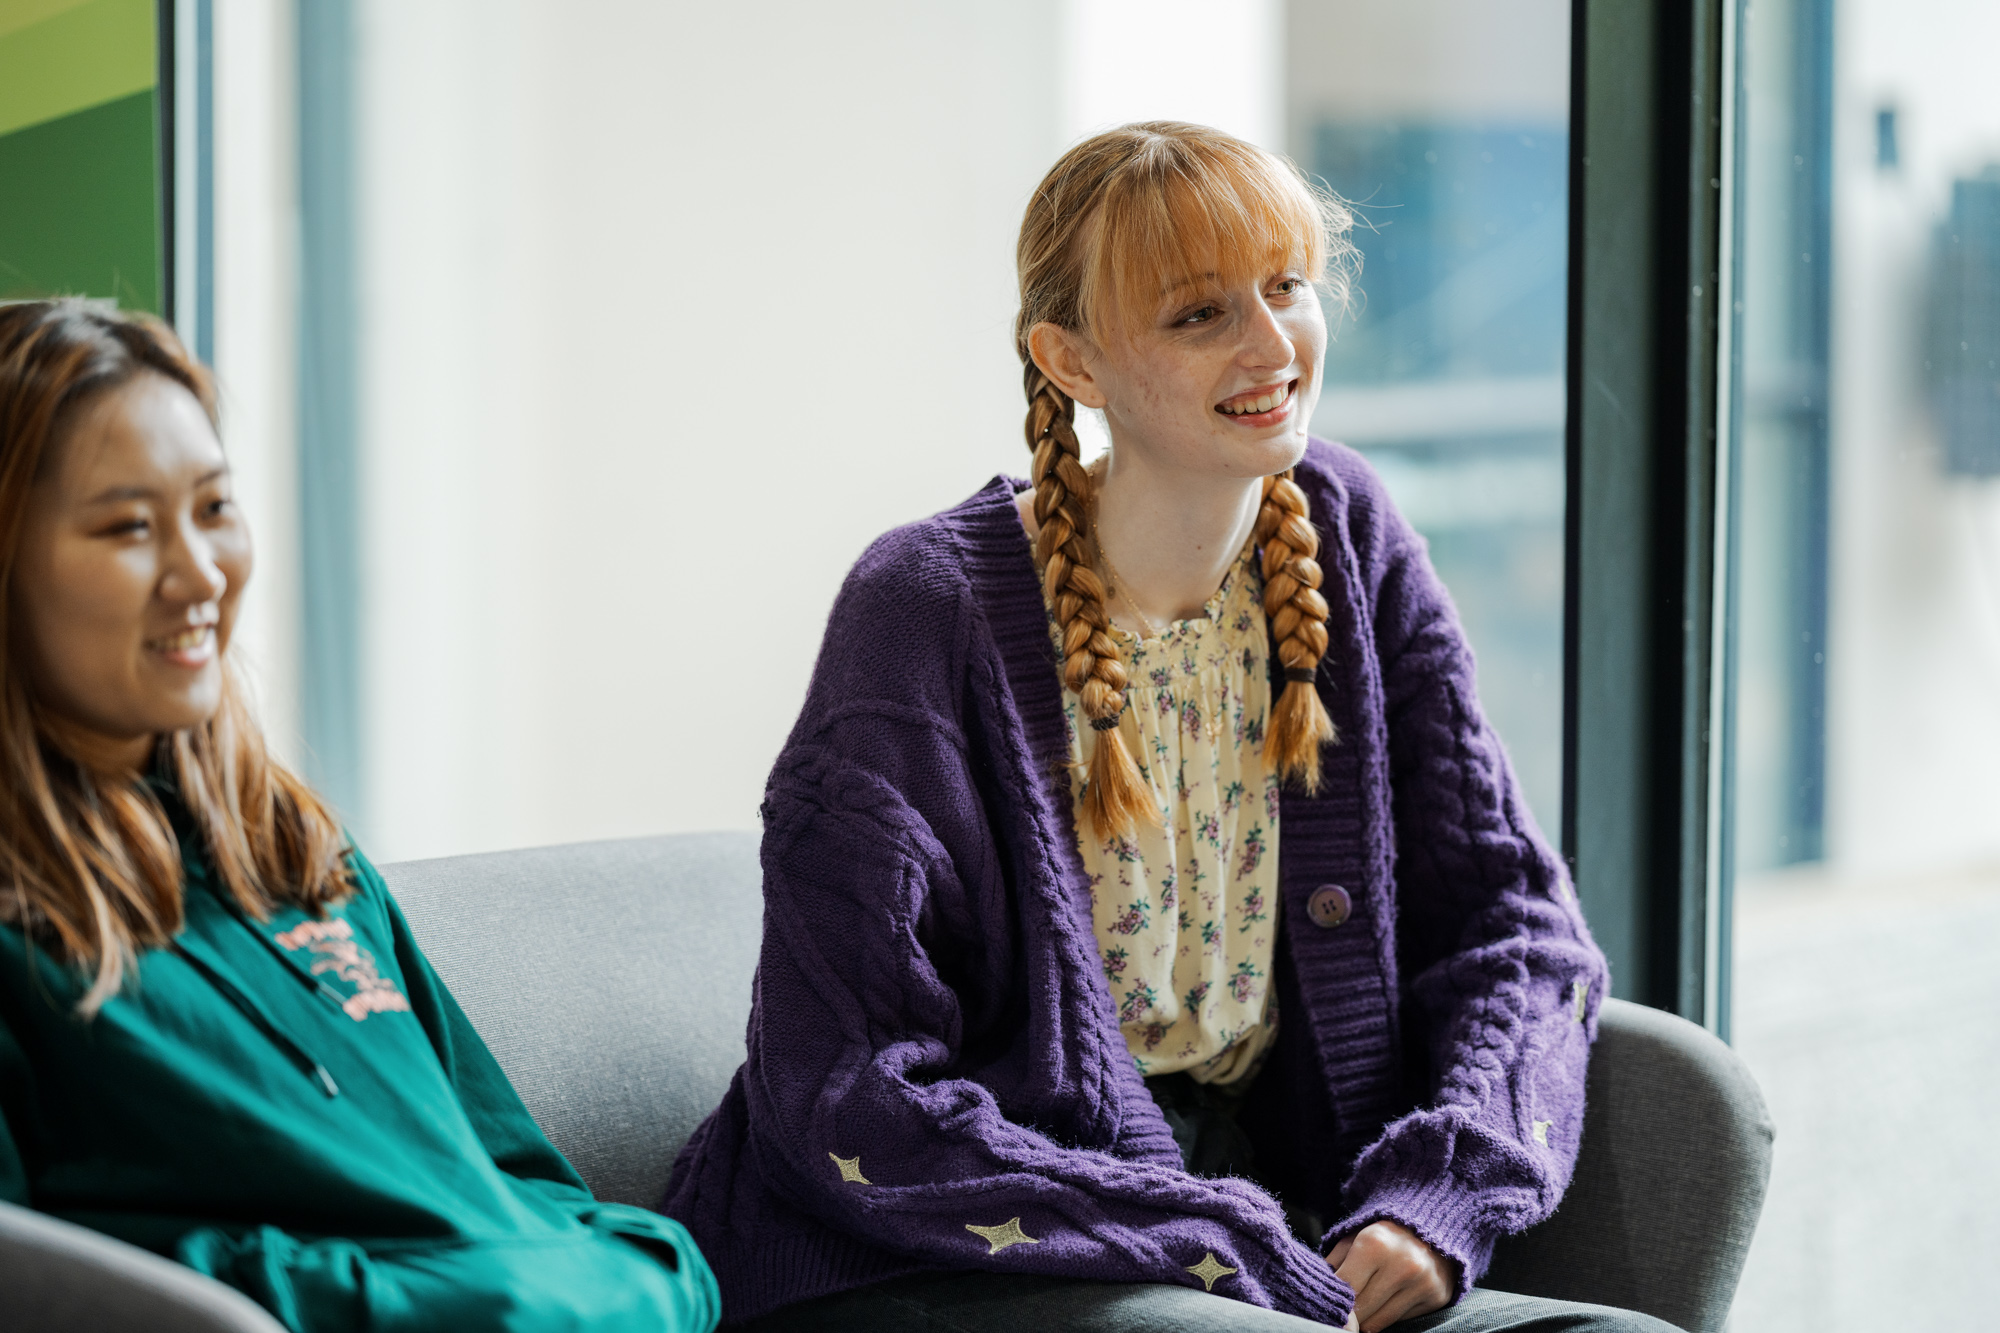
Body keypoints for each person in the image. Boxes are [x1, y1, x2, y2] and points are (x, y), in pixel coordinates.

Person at [662, 124, 1678, 1333]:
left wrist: (1435, 1191)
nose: (1268, 345)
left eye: (1284, 287)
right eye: (1198, 314)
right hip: (965, 1246)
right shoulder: (923, 609)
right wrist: (1205, 1236)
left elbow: (1517, 932)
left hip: (1284, 1227)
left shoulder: (1347, 533)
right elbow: (842, 1091)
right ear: (1070, 361)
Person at [0, 300, 720, 1333]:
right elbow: (48, 1289)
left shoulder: (299, 855)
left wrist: (642, 1268)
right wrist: (488, 1302)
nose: (201, 573)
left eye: (213, 508)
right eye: (128, 526)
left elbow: (521, 1179)